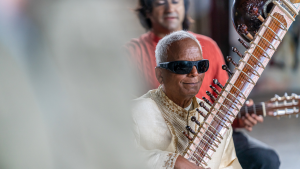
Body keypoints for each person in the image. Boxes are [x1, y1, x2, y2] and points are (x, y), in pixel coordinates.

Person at [127, 0, 280, 169]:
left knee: (265, 159)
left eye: (176, 1)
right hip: (163, 139)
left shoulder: (208, 46)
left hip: (212, 134)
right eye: (161, 3)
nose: (170, 8)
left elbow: (223, 102)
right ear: (147, 11)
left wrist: (240, 118)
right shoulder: (132, 52)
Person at [132, 30, 242, 169]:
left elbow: (231, 165)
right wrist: (173, 161)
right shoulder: (134, 113)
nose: (195, 73)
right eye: (183, 66)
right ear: (160, 74)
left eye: (201, 66)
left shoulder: (215, 119)